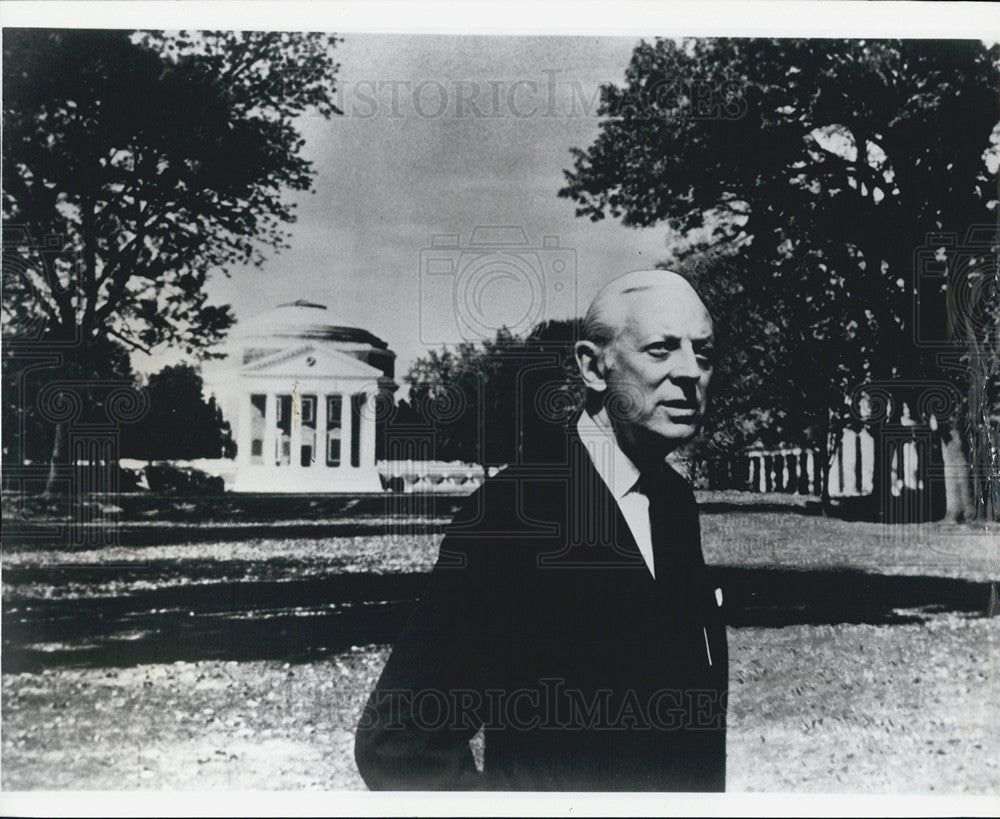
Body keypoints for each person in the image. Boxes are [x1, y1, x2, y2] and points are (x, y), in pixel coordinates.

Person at [355, 269, 727, 791]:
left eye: (704, 354)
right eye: (662, 350)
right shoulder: (511, 517)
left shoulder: (673, 502)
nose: (691, 372)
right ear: (593, 368)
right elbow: (398, 743)